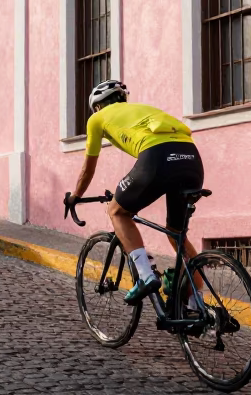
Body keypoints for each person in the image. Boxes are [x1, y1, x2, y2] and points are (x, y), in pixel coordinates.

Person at [65, 80, 204, 306]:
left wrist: (75, 196)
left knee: (118, 211)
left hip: (157, 158)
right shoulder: (144, 110)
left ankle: (146, 275)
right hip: (191, 158)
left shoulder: (97, 118)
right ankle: (196, 302)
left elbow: (88, 168)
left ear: (98, 107)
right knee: (176, 232)